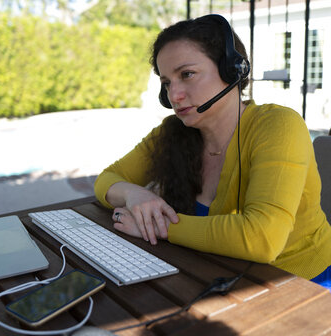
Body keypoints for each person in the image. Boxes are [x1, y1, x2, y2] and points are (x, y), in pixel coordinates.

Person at [93, 14, 331, 289]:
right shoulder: (173, 131)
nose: (174, 95)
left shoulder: (278, 125)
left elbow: (262, 239)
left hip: (301, 282)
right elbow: (108, 178)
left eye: (187, 74)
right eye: (167, 82)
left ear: (233, 70)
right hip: (215, 274)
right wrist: (134, 194)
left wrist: (159, 226)